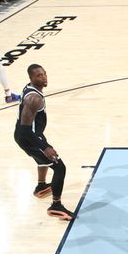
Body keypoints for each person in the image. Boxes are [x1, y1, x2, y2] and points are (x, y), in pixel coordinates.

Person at [13, 64, 74, 221]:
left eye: (44, 74)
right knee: (60, 167)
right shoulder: (34, 98)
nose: (44, 77)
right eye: (39, 75)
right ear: (31, 78)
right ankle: (56, 205)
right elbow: (26, 129)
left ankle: (41, 186)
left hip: (28, 135)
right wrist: (45, 147)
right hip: (29, 137)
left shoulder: (31, 90)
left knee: (41, 160)